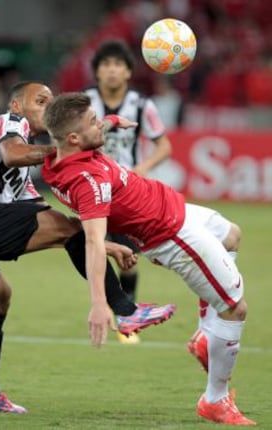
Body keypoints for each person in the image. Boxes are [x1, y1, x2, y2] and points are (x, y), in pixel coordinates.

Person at [0, 81, 176, 414]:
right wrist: (63, 148)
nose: (48, 106)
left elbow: (53, 221)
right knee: (69, 231)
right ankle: (126, 310)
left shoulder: (23, 182)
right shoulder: (8, 123)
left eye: (51, 101)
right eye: (41, 101)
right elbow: (13, 155)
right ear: (16, 105)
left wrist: (105, 245)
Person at [41, 92, 256, 426]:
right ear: (73, 137)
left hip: (176, 210)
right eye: (94, 122)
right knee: (234, 308)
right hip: (171, 235)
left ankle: (205, 335)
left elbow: (87, 133)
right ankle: (215, 399)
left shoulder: (62, 155)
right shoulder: (88, 181)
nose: (102, 124)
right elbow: (95, 242)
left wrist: (111, 122)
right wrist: (101, 303)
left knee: (232, 236)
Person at [85, 40, 172, 343]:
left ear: (127, 73)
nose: (112, 70)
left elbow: (164, 145)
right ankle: (117, 312)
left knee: (128, 256)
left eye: (118, 65)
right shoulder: (84, 102)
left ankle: (125, 313)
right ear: (97, 72)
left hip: (125, 190)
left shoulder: (142, 105)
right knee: (95, 245)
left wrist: (144, 167)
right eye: (106, 65)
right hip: (91, 186)